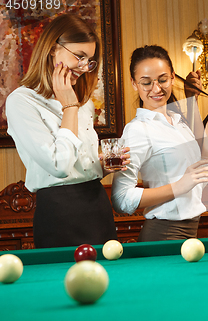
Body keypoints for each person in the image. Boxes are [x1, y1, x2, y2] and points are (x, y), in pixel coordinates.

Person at [5, 14, 130, 248]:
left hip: (97, 204)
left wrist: (102, 166)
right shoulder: (21, 101)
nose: (84, 67)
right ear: (53, 49)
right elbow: (59, 166)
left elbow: (80, 167)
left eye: (89, 60)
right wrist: (69, 106)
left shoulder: (85, 104)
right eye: (79, 57)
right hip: (59, 212)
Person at [111, 45, 208, 241]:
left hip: (192, 231)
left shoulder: (178, 121)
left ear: (173, 77)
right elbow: (120, 199)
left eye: (162, 80)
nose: (156, 89)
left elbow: (199, 173)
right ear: (134, 84)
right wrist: (179, 186)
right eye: (146, 83)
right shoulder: (136, 130)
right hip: (163, 234)